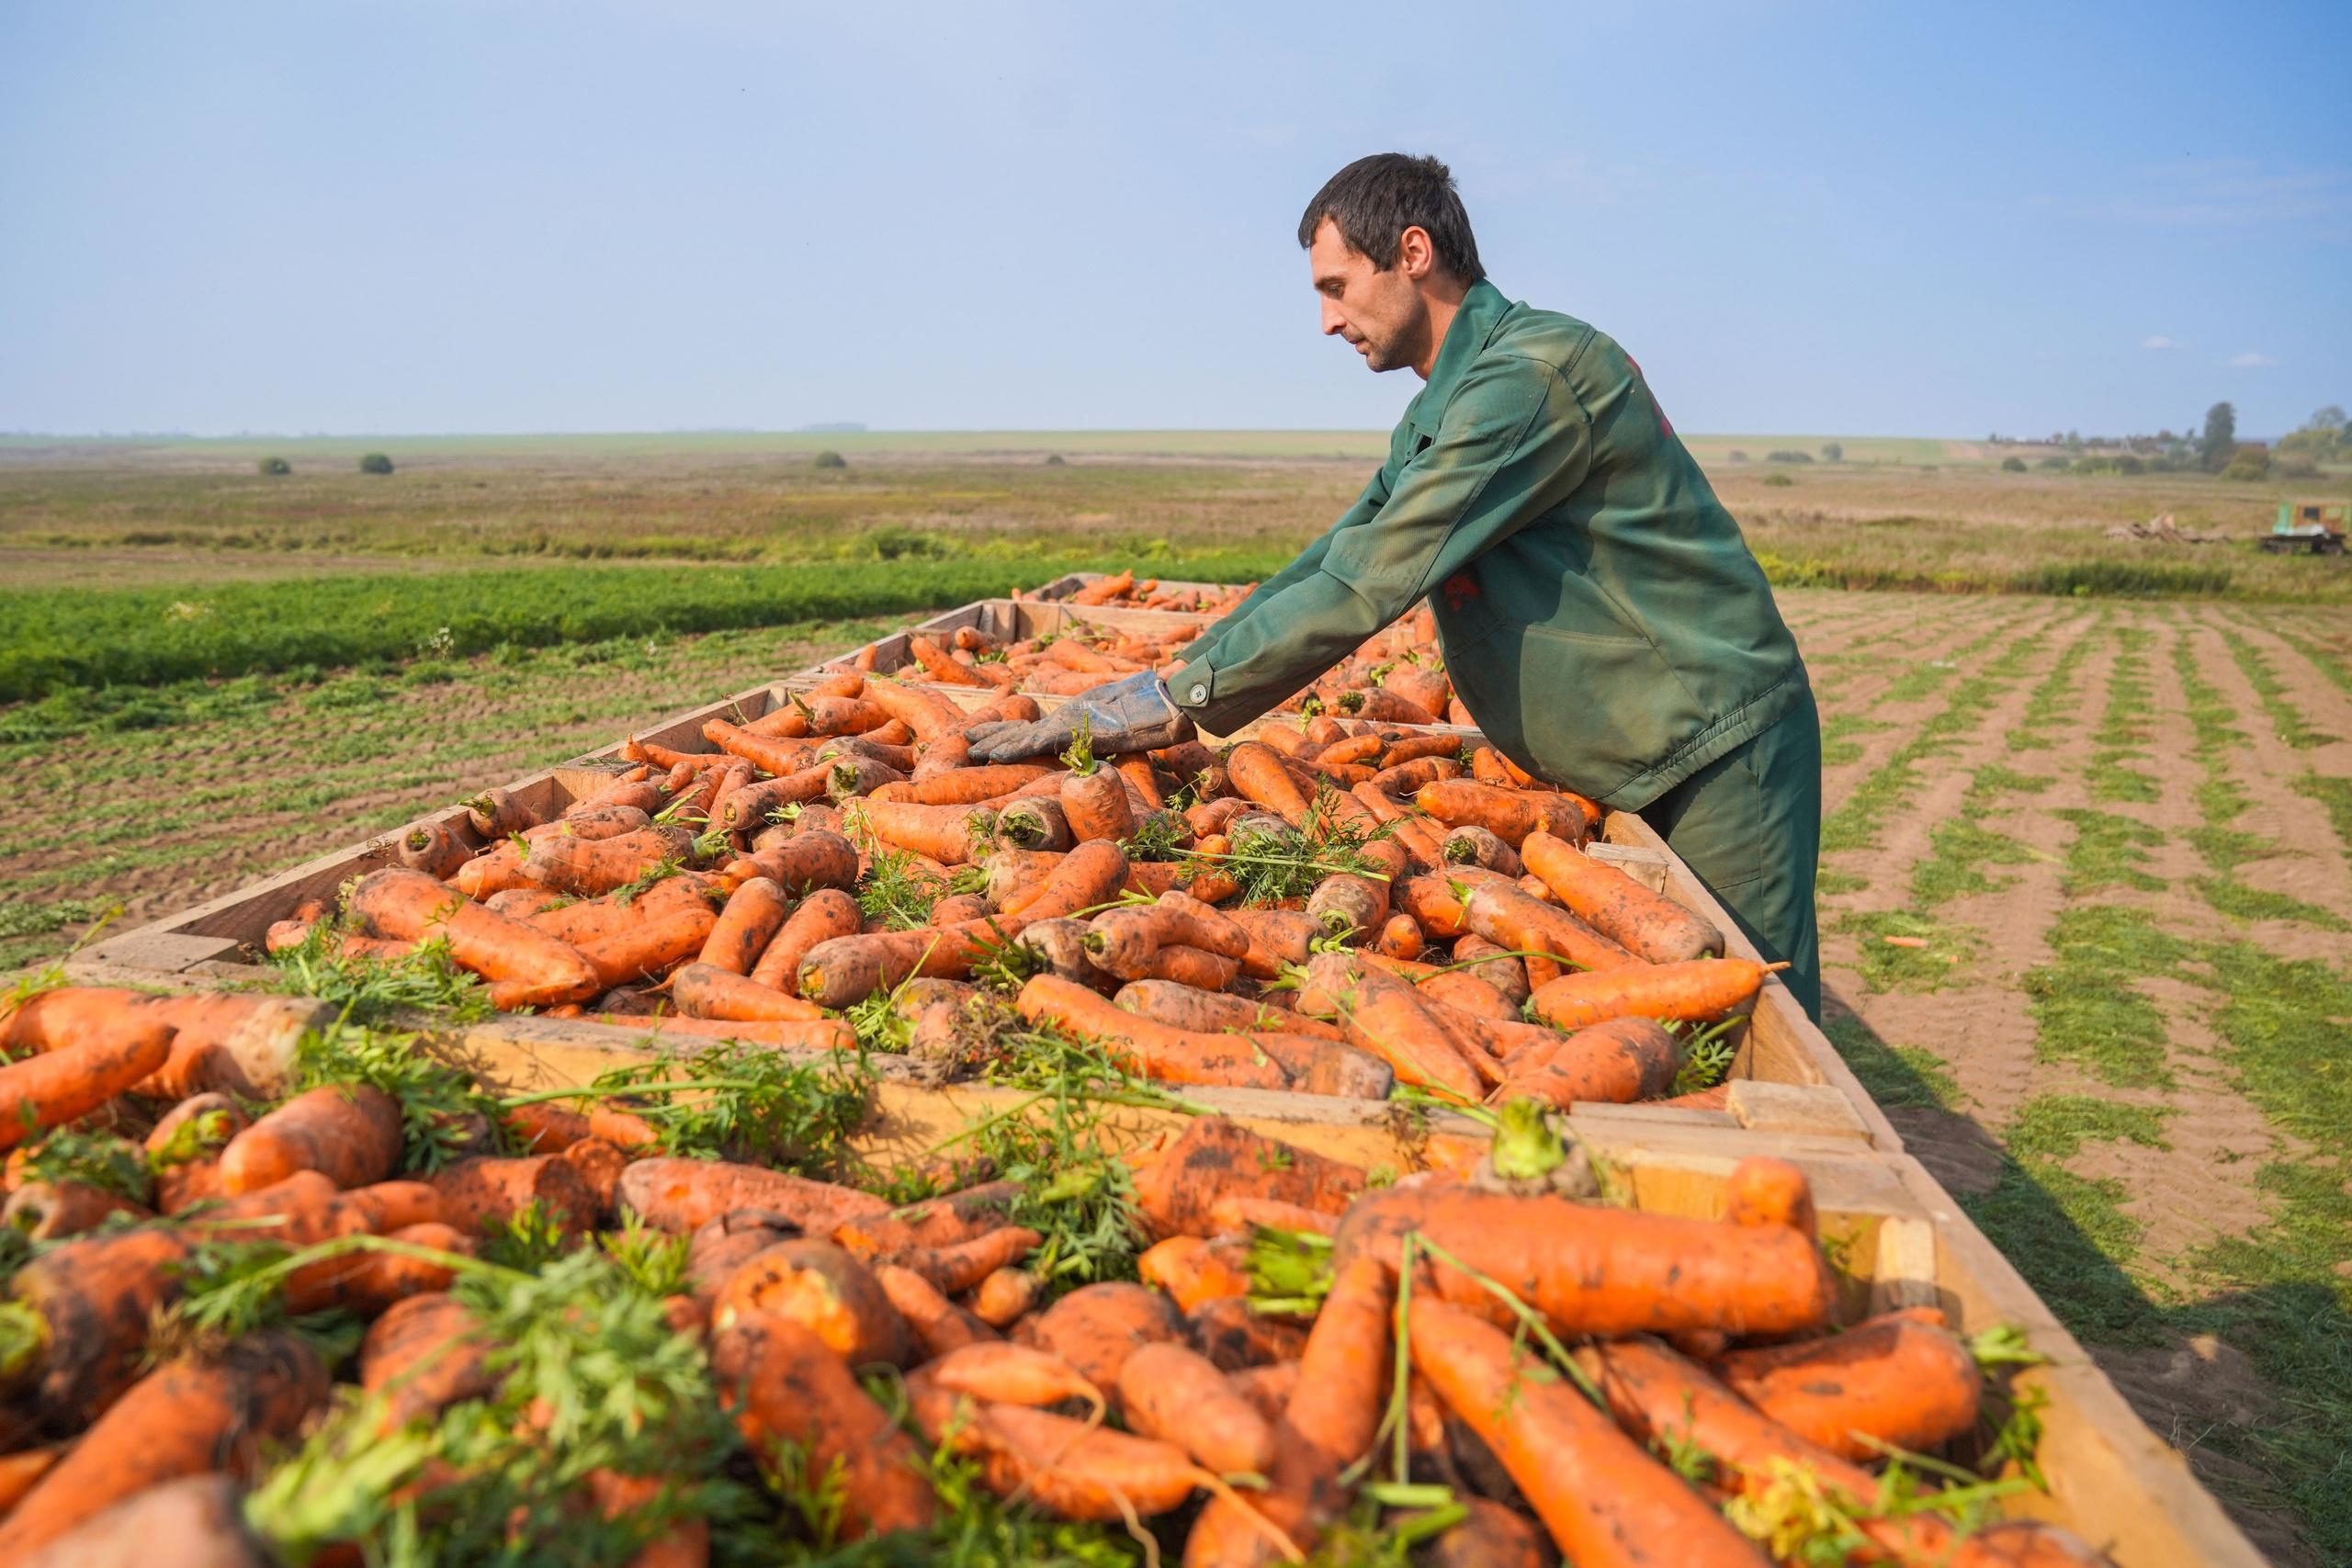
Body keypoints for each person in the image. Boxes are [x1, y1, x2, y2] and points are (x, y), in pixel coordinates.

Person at [968, 152, 1823, 1018]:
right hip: (1650, 747)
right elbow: (1338, 555)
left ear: (1413, 252)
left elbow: (1372, 581)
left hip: (1716, 743)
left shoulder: (1525, 380)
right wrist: (1166, 684)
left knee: (1747, 1010)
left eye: (1337, 287)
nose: (1327, 322)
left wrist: (1180, 700)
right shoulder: (1451, 400)